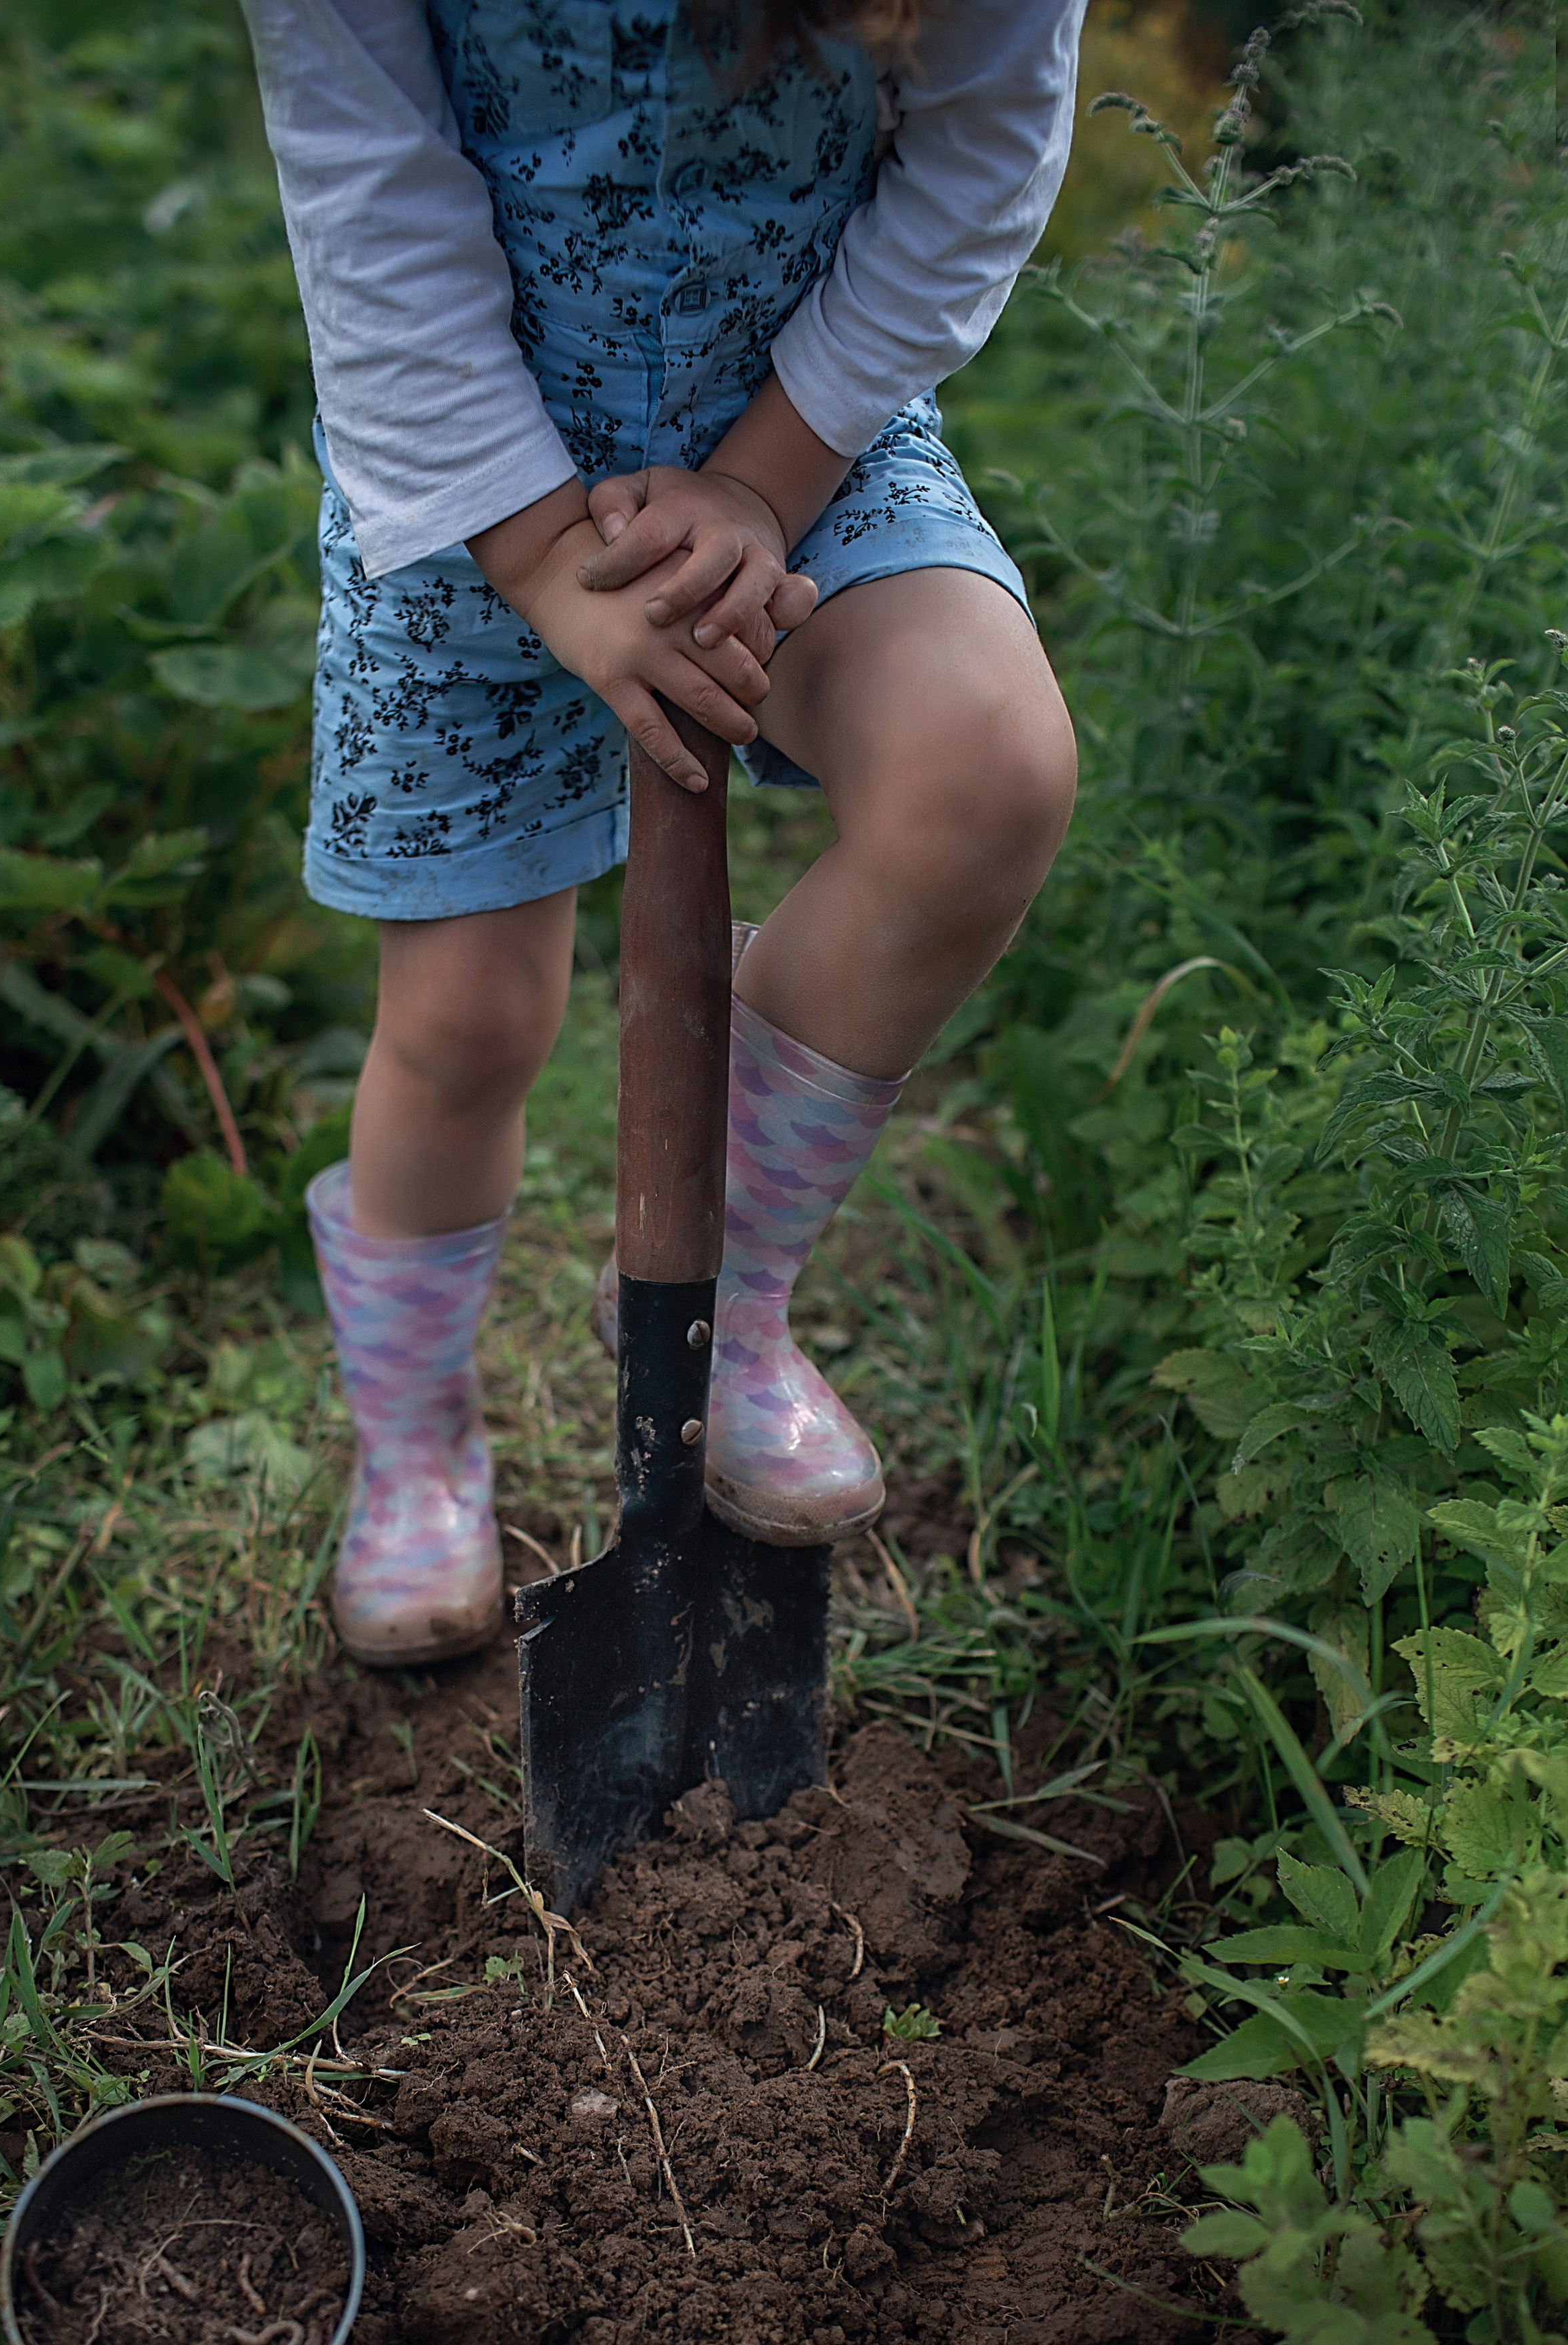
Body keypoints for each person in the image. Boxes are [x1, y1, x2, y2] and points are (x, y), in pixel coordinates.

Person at [242, 0, 1084, 1664]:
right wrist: (546, 563)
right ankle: (415, 1452)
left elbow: (982, 151)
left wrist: (765, 478)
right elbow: (373, 205)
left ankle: (730, 1316)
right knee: (468, 1023)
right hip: (465, 476)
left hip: (803, 435)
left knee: (980, 764)